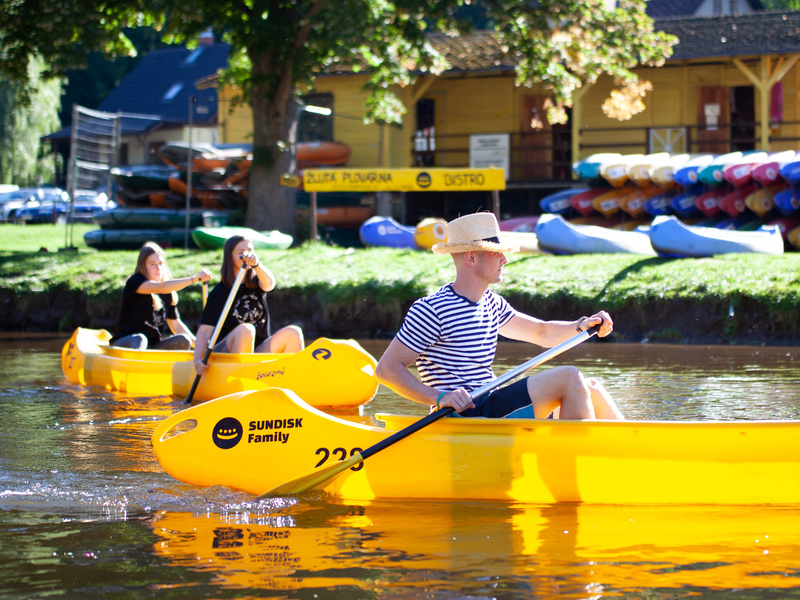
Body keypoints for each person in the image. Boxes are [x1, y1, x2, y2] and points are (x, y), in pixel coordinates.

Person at [375, 212, 624, 420]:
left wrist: (582, 325)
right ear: (471, 258)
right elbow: (386, 369)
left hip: (491, 401)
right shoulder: (431, 310)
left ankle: (629, 455)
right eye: (496, 252)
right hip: (466, 413)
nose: (505, 259)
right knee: (569, 377)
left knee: (591, 387)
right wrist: (438, 397)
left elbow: (541, 332)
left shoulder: (492, 304)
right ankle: (580, 470)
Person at [194, 234, 304, 376]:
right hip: (226, 355)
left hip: (256, 352)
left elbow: (270, 285)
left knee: (293, 332)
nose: (247, 255)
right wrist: (197, 359)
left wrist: (257, 265)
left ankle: (294, 378)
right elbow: (204, 331)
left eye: (250, 251)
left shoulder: (257, 281)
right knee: (246, 330)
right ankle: (241, 378)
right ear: (230, 257)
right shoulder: (220, 292)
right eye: (241, 253)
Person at [110, 241, 212, 350]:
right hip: (124, 344)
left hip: (152, 348)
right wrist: (193, 279)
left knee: (183, 339)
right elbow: (161, 287)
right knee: (140, 338)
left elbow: (176, 325)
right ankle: (136, 365)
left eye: (160, 263)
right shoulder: (135, 282)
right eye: (152, 264)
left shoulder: (168, 293)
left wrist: (200, 346)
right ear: (143, 266)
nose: (158, 268)